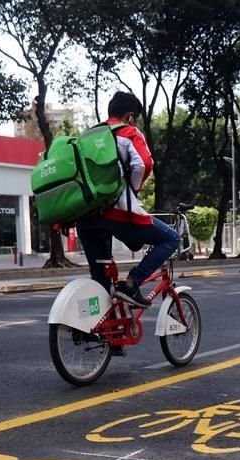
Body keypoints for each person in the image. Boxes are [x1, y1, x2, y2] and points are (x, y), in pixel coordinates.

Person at [75, 91, 179, 308]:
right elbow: (144, 164)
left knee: (101, 279)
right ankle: (132, 283)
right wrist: (132, 189)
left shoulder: (85, 137)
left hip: (84, 217)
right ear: (130, 116)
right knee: (171, 238)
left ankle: (102, 333)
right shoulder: (128, 132)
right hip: (116, 212)